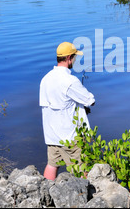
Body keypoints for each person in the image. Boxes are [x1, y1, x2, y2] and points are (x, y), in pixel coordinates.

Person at [39, 42, 95, 180]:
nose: (75, 60)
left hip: (51, 134)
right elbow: (90, 100)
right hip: (70, 136)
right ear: (69, 57)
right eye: (75, 57)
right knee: (80, 166)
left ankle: (46, 190)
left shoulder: (45, 79)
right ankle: (84, 195)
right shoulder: (70, 80)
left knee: (52, 164)